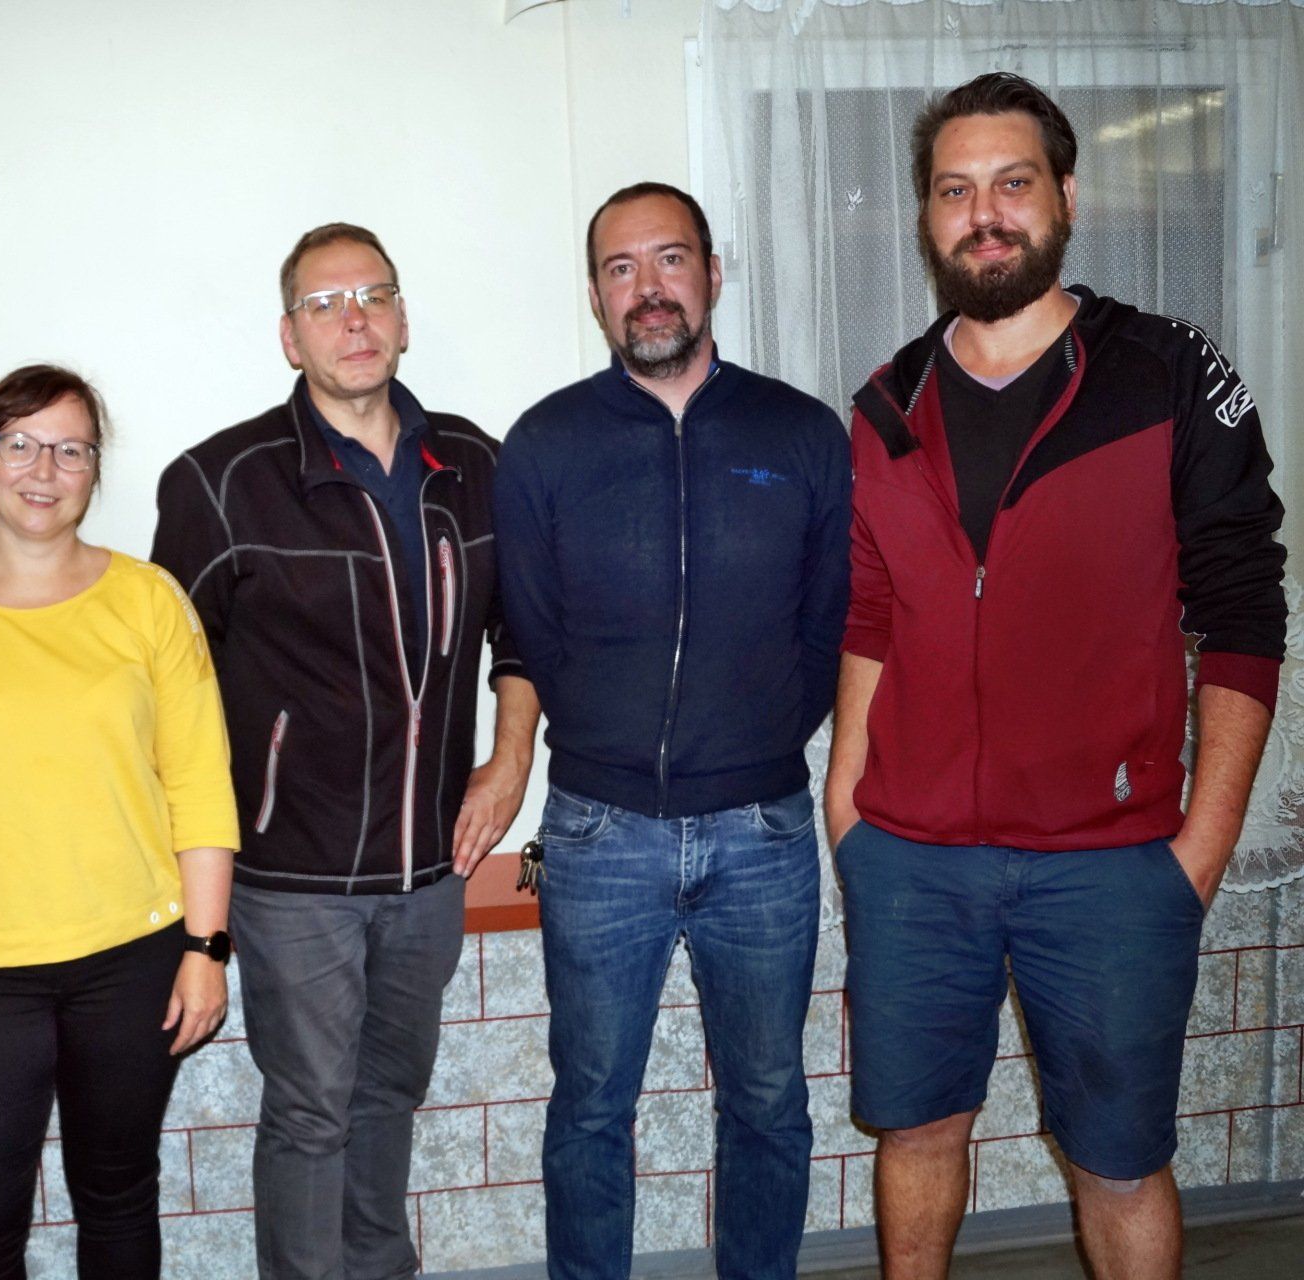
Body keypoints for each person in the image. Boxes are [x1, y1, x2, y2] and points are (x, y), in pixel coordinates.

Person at [824, 72, 1287, 1280]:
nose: (984, 213)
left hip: (1112, 864)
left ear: (1067, 196)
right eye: (955, 190)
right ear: (926, 217)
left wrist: (1201, 846)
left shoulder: (1166, 372)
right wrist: (848, 799)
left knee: (1119, 1162)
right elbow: (871, 612)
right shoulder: (885, 405)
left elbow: (1243, 609)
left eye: (1012, 183)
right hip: (912, 856)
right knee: (916, 1131)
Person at [150, 223, 539, 1280]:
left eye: (373, 295)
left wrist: (509, 761)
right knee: (312, 1111)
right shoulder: (221, 482)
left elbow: (524, 631)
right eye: (324, 304)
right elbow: (168, 693)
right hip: (292, 881)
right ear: (291, 337)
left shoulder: (475, 466)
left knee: (388, 1098)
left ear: (403, 319)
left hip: (430, 872)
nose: (353, 319)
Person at [493, 182, 851, 1280]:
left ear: (712, 272)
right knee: (591, 1105)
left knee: (768, 1101)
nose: (647, 287)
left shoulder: (801, 432)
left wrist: (758, 740)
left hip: (765, 832)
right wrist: (596, 747)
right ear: (596, 295)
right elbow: (532, 626)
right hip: (599, 833)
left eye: (669, 259)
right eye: (621, 267)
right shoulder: (545, 442)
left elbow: (830, 620)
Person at [0, 364, 239, 1279]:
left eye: (71, 450)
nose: (43, 469)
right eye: (19, 444)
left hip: (134, 960)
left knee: (119, 1198)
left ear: (95, 471)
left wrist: (206, 949)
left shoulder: (149, 601)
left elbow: (200, 786)